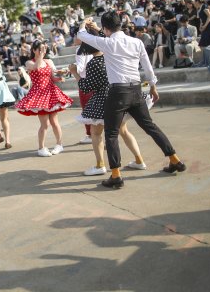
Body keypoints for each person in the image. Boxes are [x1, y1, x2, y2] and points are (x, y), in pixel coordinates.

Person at [77, 13, 186, 189]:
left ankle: (116, 175)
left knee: (111, 134)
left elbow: (81, 35)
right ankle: (174, 159)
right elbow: (147, 66)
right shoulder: (136, 42)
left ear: (106, 28)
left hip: (118, 92)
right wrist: (153, 85)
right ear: (120, 25)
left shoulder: (108, 43)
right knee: (150, 127)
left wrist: (84, 23)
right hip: (136, 89)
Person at [69, 29, 152, 176]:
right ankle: (139, 160)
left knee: (96, 132)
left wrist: (74, 72)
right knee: (123, 130)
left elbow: (86, 87)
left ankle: (100, 164)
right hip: (121, 96)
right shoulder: (112, 56)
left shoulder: (94, 63)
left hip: (103, 100)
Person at [15, 40, 73, 157]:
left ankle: (59, 144)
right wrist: (41, 56)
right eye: (40, 49)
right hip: (38, 94)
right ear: (34, 50)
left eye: (44, 49)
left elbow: (53, 76)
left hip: (50, 92)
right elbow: (36, 67)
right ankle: (41, 148)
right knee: (45, 124)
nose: (43, 51)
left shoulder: (48, 61)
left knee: (54, 122)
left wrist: (60, 77)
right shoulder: (29, 63)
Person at [72, 35, 93, 144]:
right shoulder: (94, 46)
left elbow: (80, 67)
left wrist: (71, 69)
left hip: (85, 83)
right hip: (97, 81)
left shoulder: (80, 50)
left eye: (75, 36)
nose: (74, 38)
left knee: (86, 109)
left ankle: (90, 134)